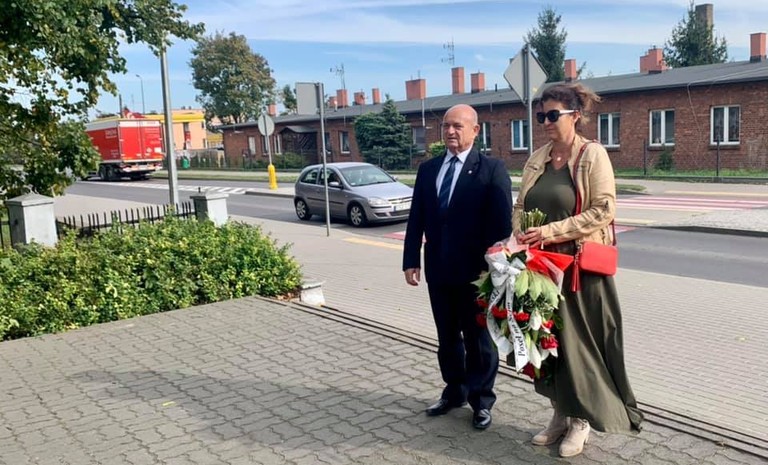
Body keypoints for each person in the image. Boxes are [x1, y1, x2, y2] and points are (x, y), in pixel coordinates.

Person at [513, 83, 643, 457]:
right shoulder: (537, 158)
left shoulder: (592, 155)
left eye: (553, 115)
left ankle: (581, 421)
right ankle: (560, 414)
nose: (545, 122)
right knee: (548, 343)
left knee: (579, 346)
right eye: (542, 116)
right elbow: (520, 205)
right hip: (540, 267)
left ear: (576, 116)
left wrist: (550, 232)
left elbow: (604, 209)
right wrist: (519, 233)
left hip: (577, 269)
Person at [403, 104, 512, 430]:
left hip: (476, 274)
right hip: (438, 270)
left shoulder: (491, 169)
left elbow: (501, 225)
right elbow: (417, 217)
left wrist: (494, 268)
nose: (450, 131)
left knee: (479, 341)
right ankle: (454, 391)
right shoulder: (428, 169)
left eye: (458, 126)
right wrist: (410, 259)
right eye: (446, 126)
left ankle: (481, 401)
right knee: (447, 337)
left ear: (475, 131)